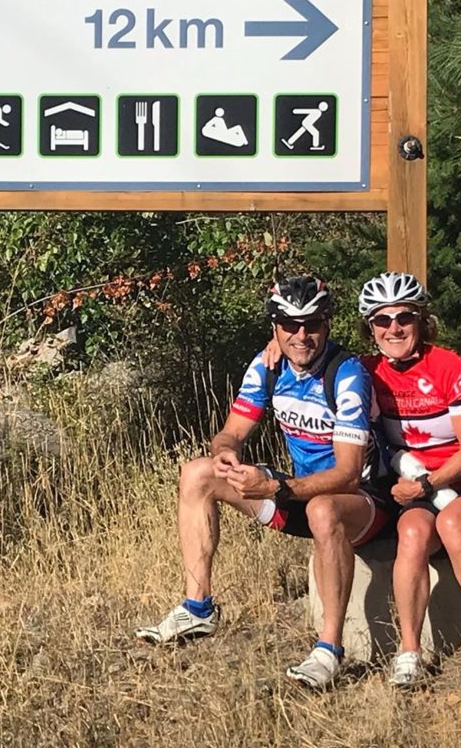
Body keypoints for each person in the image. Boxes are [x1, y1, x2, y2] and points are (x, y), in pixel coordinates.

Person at [135, 276, 394, 689]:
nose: (301, 335)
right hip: (296, 491)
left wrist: (275, 489)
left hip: (359, 501)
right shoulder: (268, 364)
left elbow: (347, 474)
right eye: (289, 325)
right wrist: (226, 453)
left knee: (323, 509)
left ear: (328, 324)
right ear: (274, 327)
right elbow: (231, 431)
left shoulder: (346, 375)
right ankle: (197, 607)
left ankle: (328, 650)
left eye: (312, 324)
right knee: (197, 472)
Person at [358, 271, 461, 687]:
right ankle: (409, 651)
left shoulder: (449, 365)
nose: (393, 328)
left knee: (451, 524)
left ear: (420, 320)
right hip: (418, 485)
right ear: (370, 327)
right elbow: (311, 354)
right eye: (382, 320)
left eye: (404, 318)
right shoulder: (366, 371)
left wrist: (426, 485)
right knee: (411, 532)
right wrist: (273, 344)